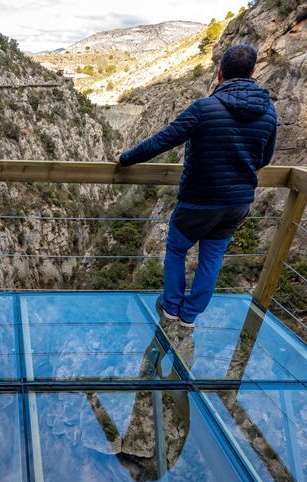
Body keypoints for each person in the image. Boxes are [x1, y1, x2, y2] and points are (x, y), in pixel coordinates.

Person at [114, 45, 277, 328]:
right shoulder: (268, 113)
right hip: (237, 203)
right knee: (212, 256)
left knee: (177, 249)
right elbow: (264, 158)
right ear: (253, 73)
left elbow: (161, 141)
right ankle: (189, 316)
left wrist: (125, 158)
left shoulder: (204, 108)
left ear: (220, 72)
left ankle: (171, 307)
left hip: (199, 199)